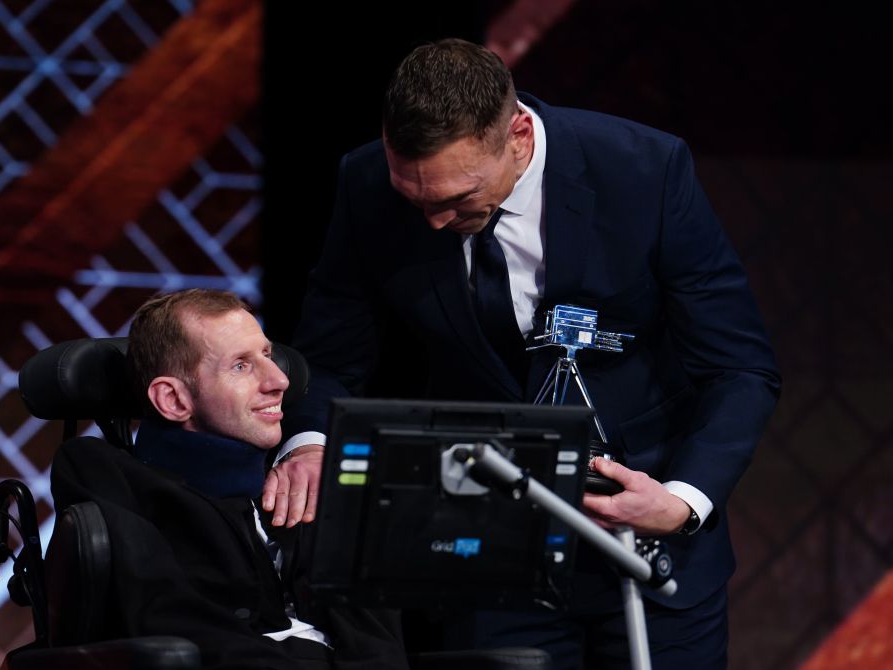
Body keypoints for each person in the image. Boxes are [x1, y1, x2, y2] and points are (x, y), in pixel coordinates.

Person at [280, 39, 781, 668]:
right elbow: (328, 355)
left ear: (517, 135)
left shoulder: (643, 170)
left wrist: (681, 500)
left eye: (457, 198)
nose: (432, 222)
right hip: (485, 545)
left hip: (644, 534)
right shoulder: (365, 184)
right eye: (414, 198)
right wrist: (308, 445)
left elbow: (739, 367)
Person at [51, 288, 409, 670]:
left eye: (268, 355)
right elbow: (165, 616)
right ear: (173, 399)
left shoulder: (301, 474)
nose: (278, 381)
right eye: (241, 365)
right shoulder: (107, 474)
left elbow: (378, 640)